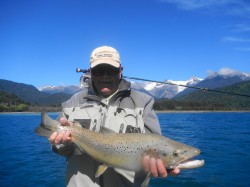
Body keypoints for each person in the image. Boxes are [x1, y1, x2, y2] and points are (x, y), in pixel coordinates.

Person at [49, 46, 180, 187]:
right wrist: (62, 143)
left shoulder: (143, 102)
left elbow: (157, 148)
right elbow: (60, 149)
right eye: (99, 71)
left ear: (120, 71)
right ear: (91, 72)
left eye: (111, 70)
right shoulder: (72, 102)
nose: (105, 76)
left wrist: (164, 164)